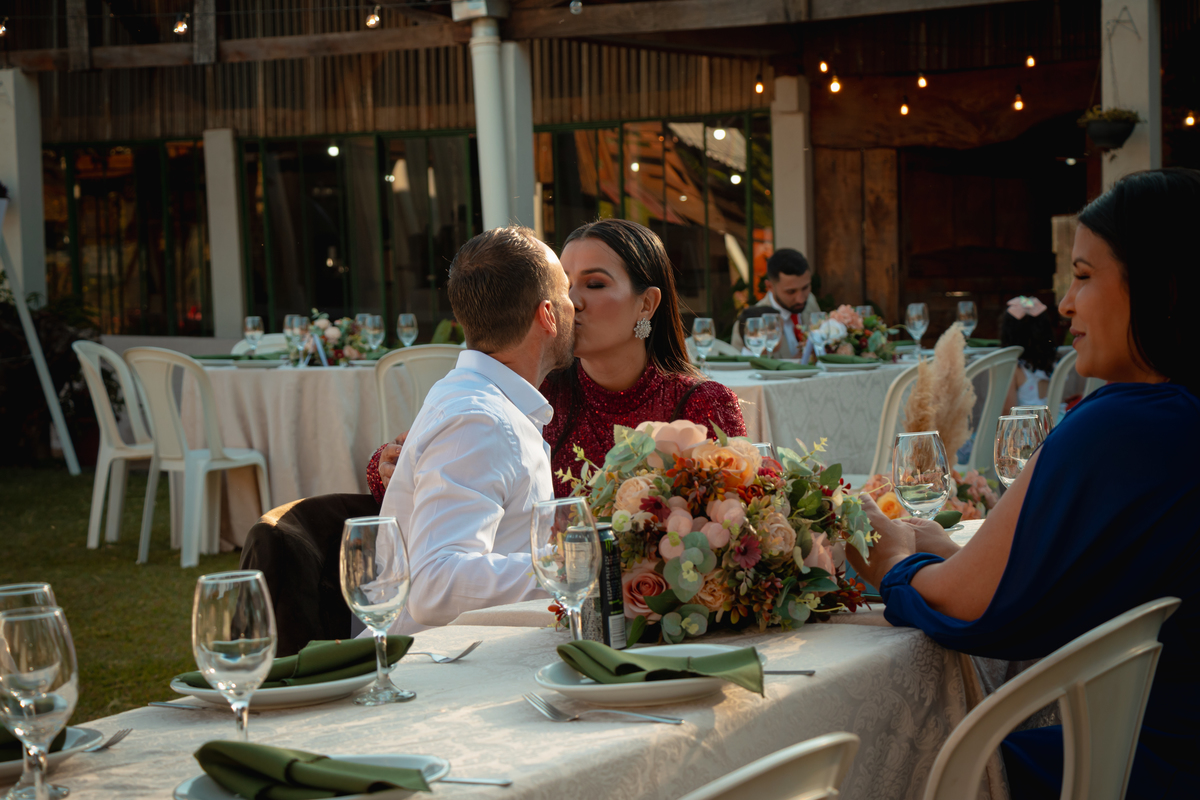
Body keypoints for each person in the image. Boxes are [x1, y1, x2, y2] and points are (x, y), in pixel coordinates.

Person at [847, 168, 1200, 799]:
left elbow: (974, 612)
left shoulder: (1126, 421)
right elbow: (1086, 588)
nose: (1065, 302)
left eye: (1085, 276)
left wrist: (890, 560)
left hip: (1142, 771)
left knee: (895, 762)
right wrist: (955, 555)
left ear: (1160, 287)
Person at [368, 219, 747, 500]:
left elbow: (728, 524)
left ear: (646, 304)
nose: (572, 302)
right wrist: (390, 465)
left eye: (594, 284)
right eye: (563, 286)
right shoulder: (535, 389)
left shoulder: (702, 404)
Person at [378, 225, 574, 633]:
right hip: (436, 669)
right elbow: (435, 585)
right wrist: (570, 565)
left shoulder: (481, 400)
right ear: (548, 316)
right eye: (567, 291)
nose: (578, 306)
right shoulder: (481, 420)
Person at [731, 248, 821, 357]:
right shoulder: (750, 323)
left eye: (805, 287)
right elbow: (743, 370)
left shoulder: (810, 301)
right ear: (769, 286)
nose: (800, 299)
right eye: (790, 292)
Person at [999, 295, 1058, 414]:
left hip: (1030, 429)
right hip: (1059, 423)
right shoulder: (1055, 363)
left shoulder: (1013, 368)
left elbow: (1008, 411)